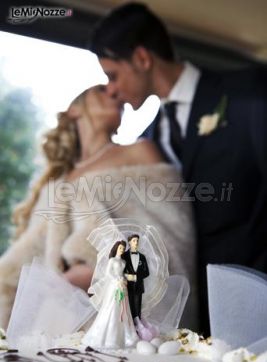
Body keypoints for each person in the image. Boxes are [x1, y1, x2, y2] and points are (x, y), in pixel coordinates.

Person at [89, 2, 267, 333]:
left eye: (113, 75)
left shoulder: (249, 93)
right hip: (192, 321)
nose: (111, 89)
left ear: (142, 59)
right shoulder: (149, 140)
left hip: (256, 303)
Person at [0, 85, 197, 331]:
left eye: (116, 90)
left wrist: (96, 270)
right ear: (74, 110)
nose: (116, 93)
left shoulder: (139, 151)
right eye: (102, 90)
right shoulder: (56, 183)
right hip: (59, 316)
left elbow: (172, 235)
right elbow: (25, 258)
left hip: (119, 315)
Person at [82, 240, 138, 349]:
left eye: (123, 248)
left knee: (124, 308)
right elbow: (108, 273)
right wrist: (117, 280)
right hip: (115, 286)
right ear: (116, 248)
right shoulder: (112, 260)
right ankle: (108, 336)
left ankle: (125, 336)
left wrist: (127, 277)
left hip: (123, 285)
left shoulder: (123, 262)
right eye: (120, 248)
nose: (121, 250)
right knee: (112, 307)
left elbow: (123, 273)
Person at [122, 234, 149, 320]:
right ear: (129, 242)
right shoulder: (124, 256)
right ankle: (129, 327)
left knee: (137, 309)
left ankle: (138, 327)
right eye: (134, 240)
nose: (136, 242)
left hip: (139, 286)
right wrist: (126, 276)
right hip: (126, 286)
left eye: (137, 240)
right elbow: (119, 271)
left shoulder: (142, 257)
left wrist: (137, 277)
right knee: (128, 308)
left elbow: (147, 272)